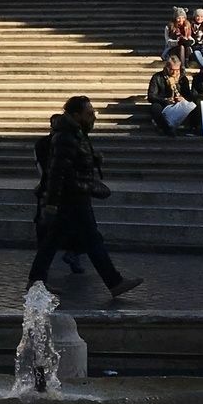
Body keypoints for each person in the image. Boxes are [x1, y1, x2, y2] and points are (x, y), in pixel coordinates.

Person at [28, 96, 143, 298]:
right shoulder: (66, 137)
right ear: (76, 115)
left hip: (74, 195)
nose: (93, 116)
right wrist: (52, 203)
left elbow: (73, 162)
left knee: (56, 241)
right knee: (89, 239)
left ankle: (36, 282)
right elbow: (57, 172)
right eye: (89, 113)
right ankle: (114, 282)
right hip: (72, 196)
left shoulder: (75, 133)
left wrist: (92, 158)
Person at [146, 56, 188, 135]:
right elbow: (151, 96)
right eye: (172, 70)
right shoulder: (157, 77)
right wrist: (165, 100)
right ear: (167, 67)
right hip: (163, 103)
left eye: (177, 70)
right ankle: (167, 129)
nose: (174, 73)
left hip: (178, 103)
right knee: (155, 108)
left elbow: (189, 95)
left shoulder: (182, 78)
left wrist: (182, 98)